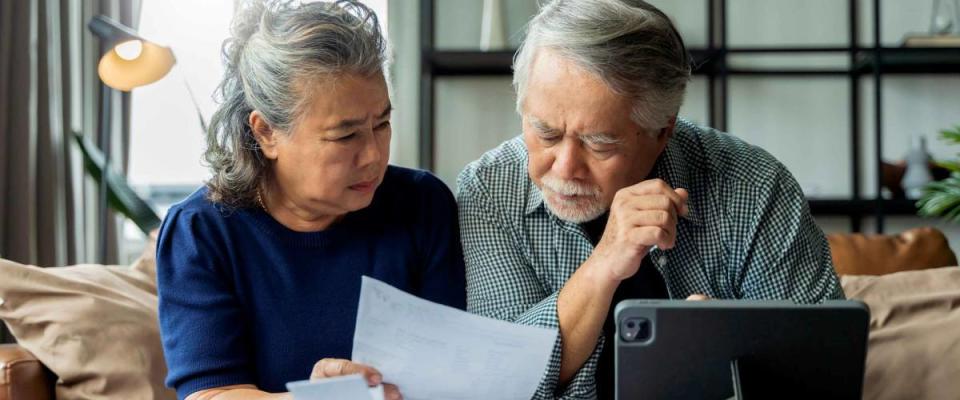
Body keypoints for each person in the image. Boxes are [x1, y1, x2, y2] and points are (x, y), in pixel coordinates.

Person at [456, 0, 844, 399]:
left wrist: (728, 353)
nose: (566, 167)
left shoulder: (754, 186)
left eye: (599, 144)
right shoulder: (489, 190)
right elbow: (499, 383)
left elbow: (823, 372)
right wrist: (604, 263)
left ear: (662, 131)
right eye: (546, 133)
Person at [156, 1, 465, 399]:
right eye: (345, 135)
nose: (373, 154)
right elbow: (212, 394)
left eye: (382, 124)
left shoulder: (423, 206)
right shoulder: (201, 232)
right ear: (266, 132)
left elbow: (454, 370)